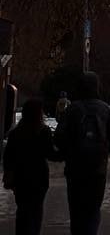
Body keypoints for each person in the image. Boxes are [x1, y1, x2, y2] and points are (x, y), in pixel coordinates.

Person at [54, 71, 110, 235]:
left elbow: (59, 137)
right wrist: (103, 152)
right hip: (97, 169)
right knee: (93, 208)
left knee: (76, 209)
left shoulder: (72, 109)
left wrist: (68, 152)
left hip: (75, 168)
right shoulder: (106, 110)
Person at [3, 98, 60, 235]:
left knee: (23, 211)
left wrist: (9, 175)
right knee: (36, 211)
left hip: (20, 178)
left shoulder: (15, 133)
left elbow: (8, 158)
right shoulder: (43, 132)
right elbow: (51, 154)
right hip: (39, 178)